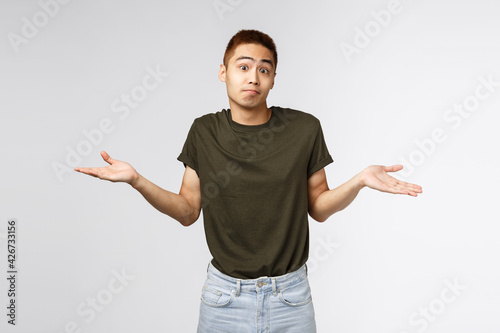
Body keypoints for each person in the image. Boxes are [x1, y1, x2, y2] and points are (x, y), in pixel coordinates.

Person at [75, 29, 422, 332]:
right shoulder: (204, 131)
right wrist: (137, 180)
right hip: (223, 299)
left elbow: (318, 206)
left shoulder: (304, 129)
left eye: (264, 69)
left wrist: (359, 180)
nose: (253, 77)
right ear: (223, 73)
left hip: (291, 298)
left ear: (272, 79)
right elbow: (186, 211)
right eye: (243, 67)